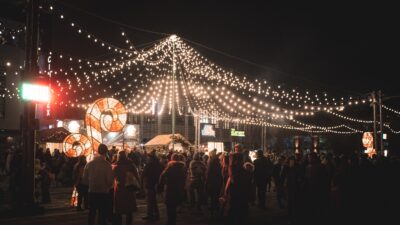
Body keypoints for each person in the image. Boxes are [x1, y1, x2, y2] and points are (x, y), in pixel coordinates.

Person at [83, 144, 114, 225]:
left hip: (92, 191)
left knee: (92, 212)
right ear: (106, 152)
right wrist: (108, 186)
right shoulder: (107, 165)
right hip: (103, 192)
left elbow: (85, 179)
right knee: (102, 212)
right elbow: (110, 180)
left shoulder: (89, 164)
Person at [112, 150, 140, 225]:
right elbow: (137, 176)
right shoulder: (131, 165)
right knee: (129, 210)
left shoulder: (115, 166)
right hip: (129, 188)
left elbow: (112, 177)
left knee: (119, 210)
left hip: (119, 189)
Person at [159, 153, 187, 225]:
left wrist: (160, 187)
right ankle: (173, 221)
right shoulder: (183, 167)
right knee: (174, 207)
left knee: (170, 208)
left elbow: (162, 176)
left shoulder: (170, 166)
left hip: (170, 189)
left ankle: (170, 222)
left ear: (172, 158)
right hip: (179, 189)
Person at [142, 150, 163, 220]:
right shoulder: (159, 164)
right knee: (153, 200)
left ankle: (150, 214)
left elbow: (144, 173)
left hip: (150, 183)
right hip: (156, 183)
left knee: (150, 200)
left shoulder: (149, 165)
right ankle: (156, 214)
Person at [206, 149, 223, 218]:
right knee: (216, 196)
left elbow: (209, 172)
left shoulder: (211, 161)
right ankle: (216, 209)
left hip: (212, 182)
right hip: (218, 181)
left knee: (212, 196)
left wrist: (207, 181)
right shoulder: (217, 161)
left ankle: (213, 210)